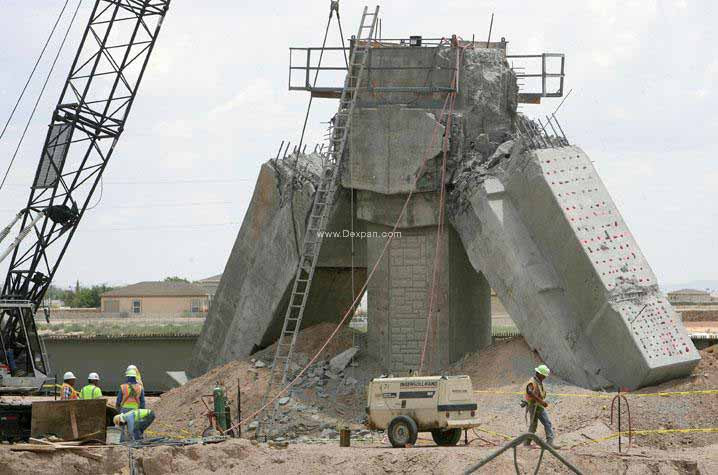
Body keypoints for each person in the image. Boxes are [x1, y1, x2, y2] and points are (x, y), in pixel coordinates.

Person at [523, 364, 559, 449]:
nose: (544, 377)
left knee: (540, 424)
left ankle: (528, 443)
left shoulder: (538, 381)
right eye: (544, 376)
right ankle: (529, 443)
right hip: (534, 406)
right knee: (541, 424)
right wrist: (541, 402)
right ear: (539, 374)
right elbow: (529, 391)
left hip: (537, 406)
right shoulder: (532, 381)